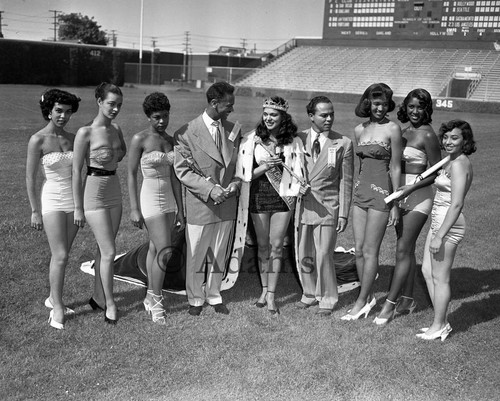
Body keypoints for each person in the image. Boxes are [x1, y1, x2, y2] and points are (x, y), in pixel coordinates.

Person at [374, 88, 441, 325]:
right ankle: (408, 299)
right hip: (398, 198)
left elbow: (436, 173)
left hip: (418, 197)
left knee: (402, 249)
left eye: (420, 107)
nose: (415, 111)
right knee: (408, 249)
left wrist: (409, 189)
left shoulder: (428, 136)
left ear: (427, 109)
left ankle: (389, 305)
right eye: (411, 106)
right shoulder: (402, 132)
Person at [174, 81, 241, 316]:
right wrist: (211, 190)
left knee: (219, 251)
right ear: (214, 103)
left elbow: (239, 166)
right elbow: (183, 171)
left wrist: (235, 184)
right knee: (196, 254)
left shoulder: (234, 130)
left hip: (228, 203)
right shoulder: (186, 132)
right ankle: (195, 299)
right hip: (202, 203)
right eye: (228, 105)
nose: (231, 108)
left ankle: (214, 294)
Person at [236, 96, 305, 315]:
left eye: (273, 115)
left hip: (284, 198)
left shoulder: (294, 141)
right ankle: (264, 290)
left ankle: (272, 296)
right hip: (259, 196)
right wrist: (265, 166)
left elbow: (299, 172)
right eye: (265, 114)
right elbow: (245, 176)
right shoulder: (251, 140)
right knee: (262, 245)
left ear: (283, 116)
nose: (268, 118)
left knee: (276, 246)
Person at [341, 83, 402, 321]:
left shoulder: (393, 129)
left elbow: (396, 167)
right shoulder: (359, 130)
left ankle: (360, 301)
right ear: (368, 103)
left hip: (381, 194)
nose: (380, 108)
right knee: (358, 251)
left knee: (370, 250)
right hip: (360, 193)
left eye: (384, 104)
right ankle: (367, 298)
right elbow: (361, 166)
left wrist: (395, 202)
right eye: (376, 103)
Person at [26, 89, 81, 330]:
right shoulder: (37, 139)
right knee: (60, 256)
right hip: (52, 201)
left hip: (73, 202)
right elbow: (30, 178)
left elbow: (83, 170)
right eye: (59, 111)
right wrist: (34, 210)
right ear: (49, 110)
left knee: (63, 254)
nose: (63, 116)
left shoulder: (73, 137)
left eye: (68, 112)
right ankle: (57, 306)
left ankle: (52, 297)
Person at [128, 92, 185, 324]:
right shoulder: (139, 139)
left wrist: (180, 208)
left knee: (155, 248)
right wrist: (133, 208)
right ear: (148, 117)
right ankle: (156, 299)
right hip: (150, 197)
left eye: (165, 116)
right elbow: (131, 174)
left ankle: (150, 296)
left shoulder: (171, 140)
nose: (162, 121)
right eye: (156, 117)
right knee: (165, 251)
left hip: (170, 200)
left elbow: (174, 178)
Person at [72, 82, 127, 324]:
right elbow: (75, 171)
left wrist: (111, 158)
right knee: (109, 251)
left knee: (103, 248)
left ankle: (97, 297)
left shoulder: (117, 129)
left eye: (119, 105)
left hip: (114, 190)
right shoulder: (85, 133)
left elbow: (121, 152)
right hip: (93, 193)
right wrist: (77, 207)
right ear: (99, 101)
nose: (115, 109)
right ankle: (110, 304)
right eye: (111, 104)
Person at [416, 120, 475, 341]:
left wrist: (440, 235)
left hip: (448, 224)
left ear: (465, 141)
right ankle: (441, 322)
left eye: (455, 138)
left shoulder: (460, 164)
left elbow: (457, 203)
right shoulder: (451, 160)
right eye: (446, 137)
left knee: (441, 278)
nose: (448, 142)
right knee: (426, 272)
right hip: (439, 221)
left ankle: (439, 325)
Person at [295, 96, 354, 316]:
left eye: (331, 114)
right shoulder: (297, 139)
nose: (329, 118)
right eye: (323, 115)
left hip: (328, 207)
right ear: (311, 116)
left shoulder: (343, 143)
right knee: (304, 253)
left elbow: (345, 181)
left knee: (324, 254)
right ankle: (309, 294)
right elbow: (288, 171)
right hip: (302, 207)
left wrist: (343, 213)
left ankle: (328, 297)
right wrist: (294, 188)